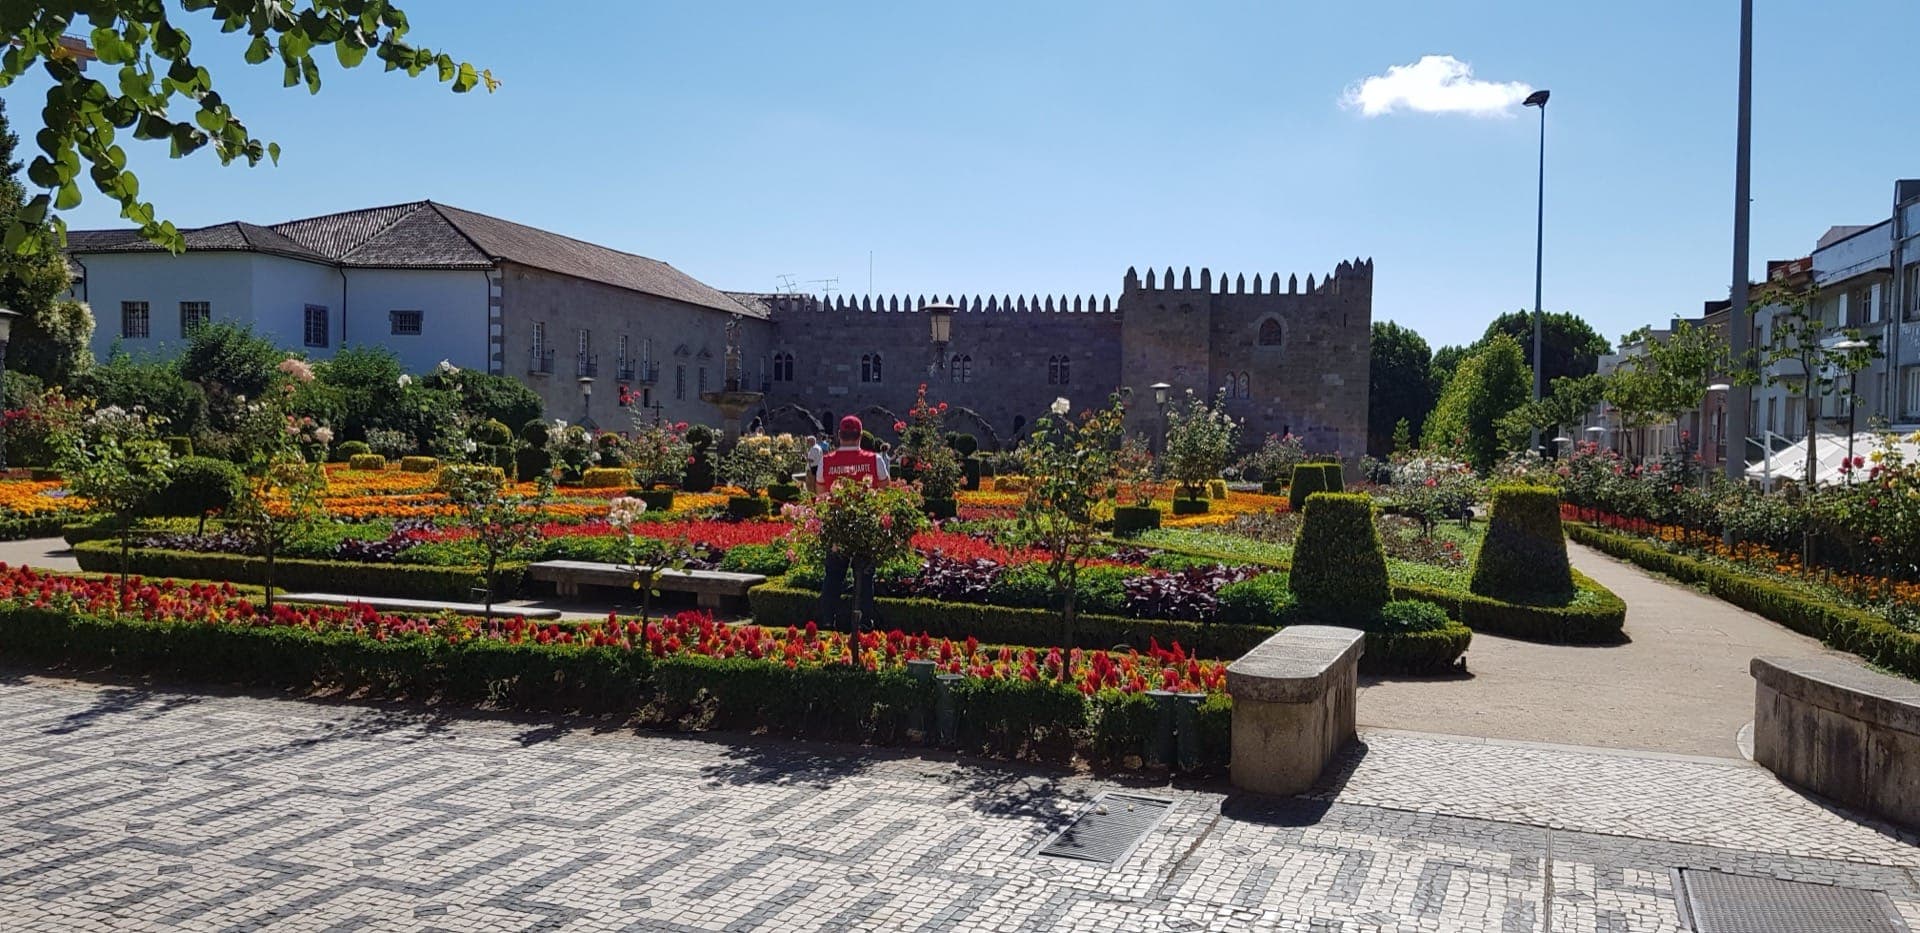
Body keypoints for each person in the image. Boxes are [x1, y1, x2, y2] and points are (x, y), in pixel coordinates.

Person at [815, 415, 889, 631]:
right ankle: (864, 624)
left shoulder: (826, 461)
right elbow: (885, 493)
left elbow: (821, 497)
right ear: (860, 436)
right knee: (865, 580)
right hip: (866, 530)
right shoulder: (875, 460)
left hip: (836, 531)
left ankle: (827, 622)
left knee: (833, 578)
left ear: (839, 436)